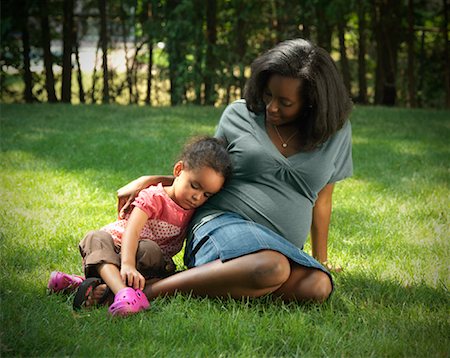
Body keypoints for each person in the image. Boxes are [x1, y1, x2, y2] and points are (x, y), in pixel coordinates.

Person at [94, 38, 353, 306]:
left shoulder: (335, 132)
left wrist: (320, 262)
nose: (271, 107)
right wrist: (156, 181)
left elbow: (322, 199)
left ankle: (217, 280)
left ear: (312, 102)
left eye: (285, 103)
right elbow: (206, 173)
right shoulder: (239, 115)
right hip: (221, 223)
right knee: (272, 267)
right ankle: (150, 292)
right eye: (268, 95)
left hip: (281, 246)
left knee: (318, 286)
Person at [47, 137, 232, 316]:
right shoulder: (154, 197)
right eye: (194, 185)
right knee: (95, 237)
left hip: (148, 262)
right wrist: (127, 264)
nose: (197, 197)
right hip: (120, 251)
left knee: (149, 250)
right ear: (178, 170)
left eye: (206, 194)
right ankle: (122, 293)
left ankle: (86, 286)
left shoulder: (195, 209)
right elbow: (132, 230)